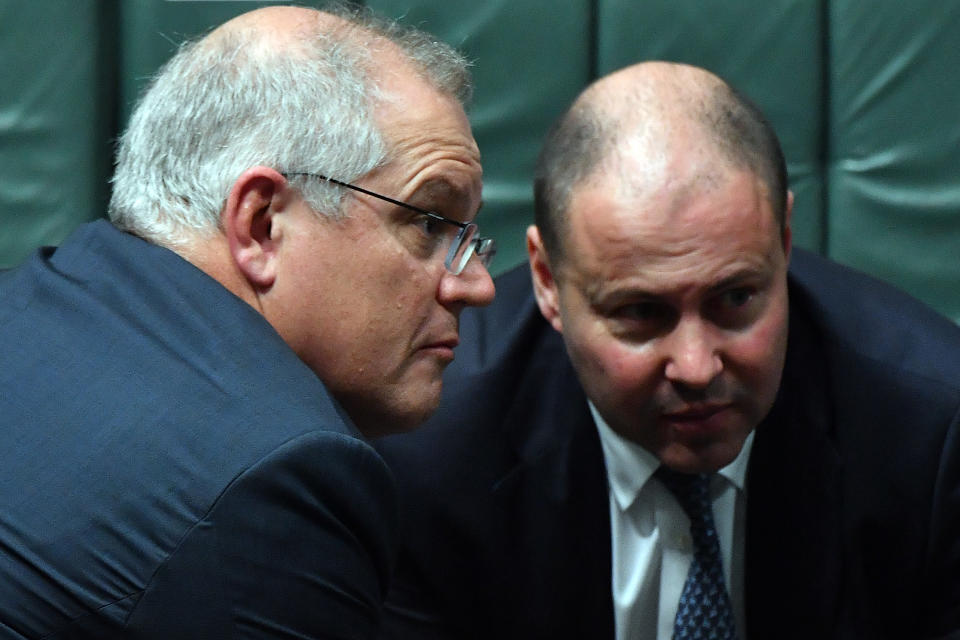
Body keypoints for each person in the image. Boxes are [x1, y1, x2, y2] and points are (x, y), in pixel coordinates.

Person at [374, 61, 960, 639]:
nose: (697, 367)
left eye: (735, 298)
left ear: (783, 245)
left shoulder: (930, 430)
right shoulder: (429, 449)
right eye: (640, 313)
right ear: (548, 281)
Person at [0, 4, 494, 639]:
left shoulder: (31, 297)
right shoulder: (278, 478)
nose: (476, 286)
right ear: (262, 225)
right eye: (428, 223)